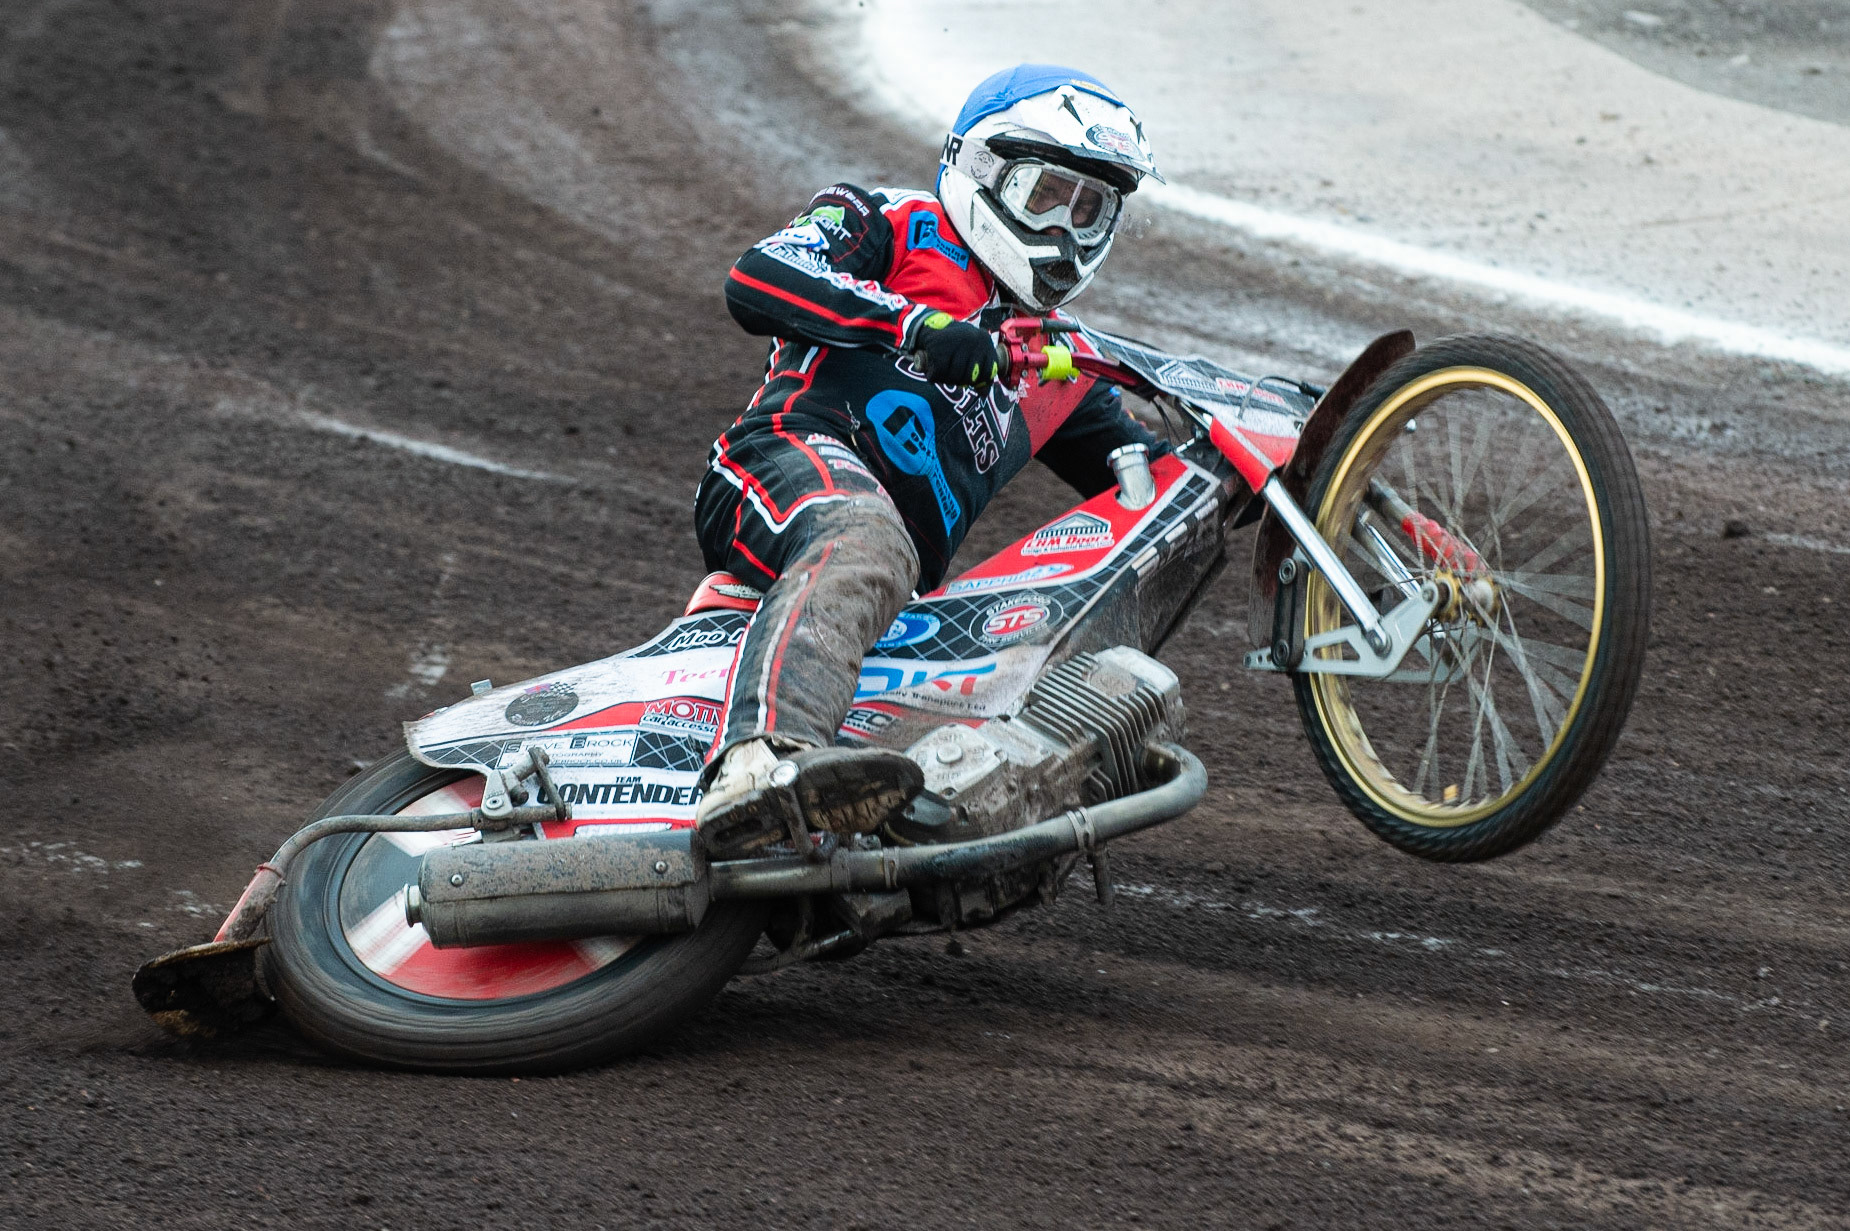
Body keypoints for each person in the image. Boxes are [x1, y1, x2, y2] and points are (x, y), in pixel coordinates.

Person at [692, 64, 1166, 857]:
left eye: (1092, 212)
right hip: (780, 461)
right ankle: (758, 761)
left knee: (1001, 643)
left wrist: (1303, 467)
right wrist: (914, 326)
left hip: (893, 576)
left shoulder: (1057, 368)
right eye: (1047, 196)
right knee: (869, 536)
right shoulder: (893, 219)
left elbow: (1150, 478)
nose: (1067, 232)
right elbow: (759, 274)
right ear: (982, 169)